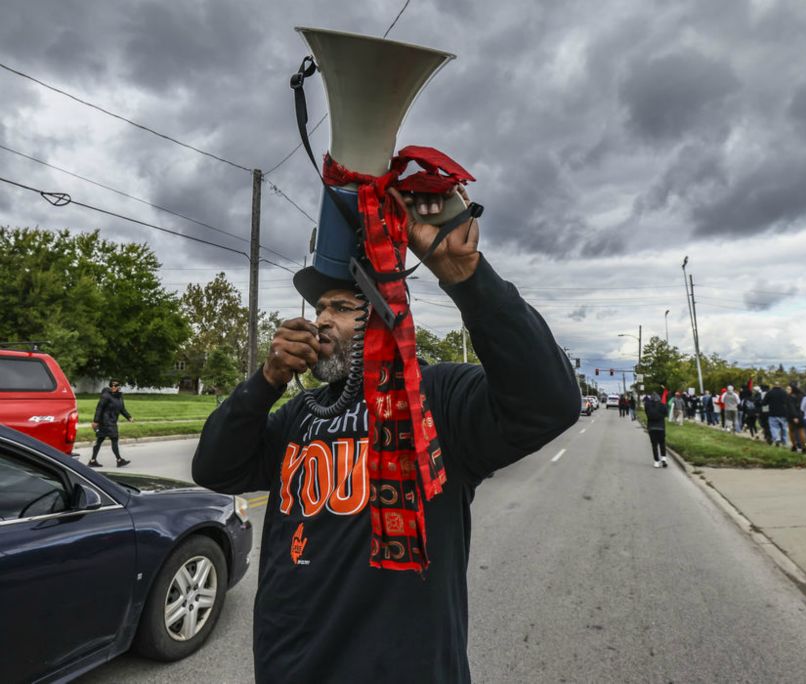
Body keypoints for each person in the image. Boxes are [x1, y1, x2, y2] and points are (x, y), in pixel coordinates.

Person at [192, 186, 580, 681]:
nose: (321, 321)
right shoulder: (298, 417)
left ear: (382, 313)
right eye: (318, 310)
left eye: (339, 307)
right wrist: (267, 381)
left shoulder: (436, 396)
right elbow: (213, 467)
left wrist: (465, 276)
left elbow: (550, 402)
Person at [88, 379, 133, 468]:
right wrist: (95, 421)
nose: (113, 387)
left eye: (115, 386)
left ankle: (92, 460)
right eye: (111, 385)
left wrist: (128, 417)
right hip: (106, 421)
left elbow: (122, 409)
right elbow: (99, 408)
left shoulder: (119, 396)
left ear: (119, 387)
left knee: (100, 440)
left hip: (111, 421)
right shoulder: (106, 395)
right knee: (114, 439)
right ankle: (119, 460)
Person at [644, 392, 670, 468]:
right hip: (661, 427)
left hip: (651, 427)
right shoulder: (662, 405)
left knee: (654, 445)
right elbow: (666, 414)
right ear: (659, 398)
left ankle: (656, 461)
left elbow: (646, 413)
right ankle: (664, 459)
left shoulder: (647, 405)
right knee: (662, 443)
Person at [763, 382, 789, 446]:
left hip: (772, 413)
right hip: (783, 413)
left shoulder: (769, 392)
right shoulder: (785, 393)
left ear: (773, 386)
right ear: (780, 386)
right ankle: (784, 442)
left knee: (774, 427)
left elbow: (764, 403)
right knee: (784, 428)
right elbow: (788, 402)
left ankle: (777, 438)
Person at [786, 382, 806, 454]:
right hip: (802, 415)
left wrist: (795, 416)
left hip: (792, 416)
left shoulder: (791, 396)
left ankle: (794, 445)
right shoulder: (803, 395)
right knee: (801, 431)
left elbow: (791, 407)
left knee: (791, 431)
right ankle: (804, 447)